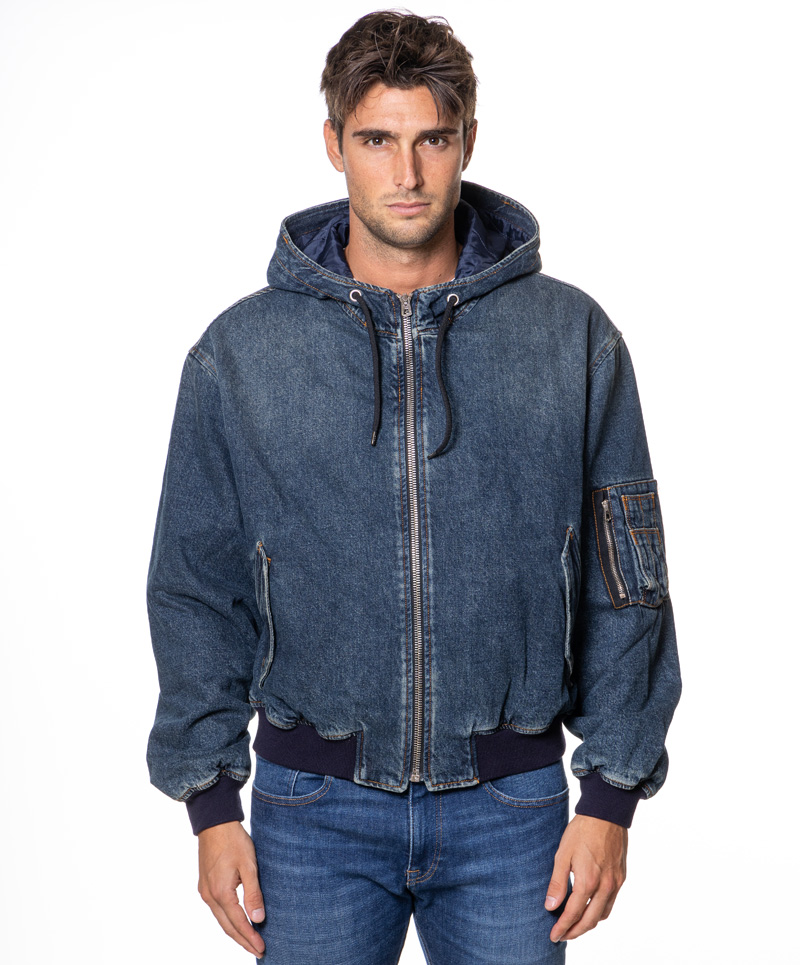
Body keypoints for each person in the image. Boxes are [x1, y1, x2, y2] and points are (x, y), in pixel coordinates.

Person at [146, 11, 681, 964]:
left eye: (432, 139)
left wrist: (611, 796)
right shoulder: (241, 353)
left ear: (468, 141)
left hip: (513, 810)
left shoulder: (571, 339)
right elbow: (195, 582)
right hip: (310, 812)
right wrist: (210, 803)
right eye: (377, 141)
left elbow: (626, 578)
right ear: (333, 145)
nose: (407, 173)